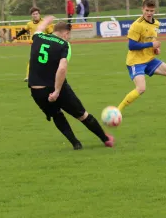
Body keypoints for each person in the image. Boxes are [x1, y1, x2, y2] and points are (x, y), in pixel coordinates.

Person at [28, 16, 114, 150]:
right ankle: (106, 139)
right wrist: (56, 91)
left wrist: (47, 20)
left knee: (56, 115)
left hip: (36, 90)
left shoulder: (38, 37)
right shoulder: (64, 44)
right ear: (66, 33)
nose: (68, 38)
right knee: (82, 115)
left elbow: (39, 28)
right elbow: (62, 68)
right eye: (69, 35)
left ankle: (76, 143)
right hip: (55, 87)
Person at [117, 0, 166, 113]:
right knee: (141, 88)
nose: (149, 13)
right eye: (147, 10)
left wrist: (155, 49)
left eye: (152, 11)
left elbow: (151, 39)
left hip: (149, 59)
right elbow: (131, 45)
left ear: (155, 11)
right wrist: (151, 44)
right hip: (135, 62)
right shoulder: (136, 25)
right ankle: (118, 110)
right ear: (142, 9)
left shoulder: (156, 23)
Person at [15, 7, 54, 82]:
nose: (35, 15)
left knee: (46, 61)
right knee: (32, 60)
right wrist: (16, 36)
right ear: (31, 15)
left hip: (45, 45)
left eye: (36, 14)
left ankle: (47, 75)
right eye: (33, 14)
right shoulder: (30, 24)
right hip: (35, 45)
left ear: (39, 14)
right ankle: (28, 76)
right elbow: (24, 30)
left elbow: (51, 34)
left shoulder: (44, 23)